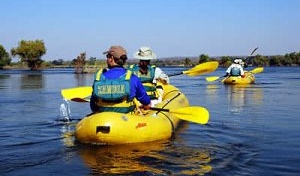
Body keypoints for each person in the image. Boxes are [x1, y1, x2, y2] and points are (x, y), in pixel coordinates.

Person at [90, 45, 151, 113]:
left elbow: (93, 107)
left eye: (107, 56)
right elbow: (147, 104)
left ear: (111, 58)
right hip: (126, 121)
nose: (107, 59)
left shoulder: (98, 78)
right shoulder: (133, 78)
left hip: (102, 119)